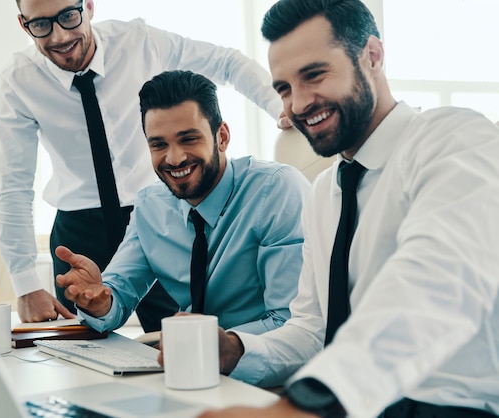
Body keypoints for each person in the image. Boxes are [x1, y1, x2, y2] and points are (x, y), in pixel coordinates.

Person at [195, 0, 499, 417]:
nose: (298, 104)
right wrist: (236, 349)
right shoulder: (323, 193)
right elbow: (313, 330)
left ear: (372, 56)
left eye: (314, 74)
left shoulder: (453, 139)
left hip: (446, 406)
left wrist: (312, 403)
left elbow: (437, 279)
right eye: (283, 88)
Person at [0, 0, 291, 328]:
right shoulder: (17, 81)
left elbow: (226, 62)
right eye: (41, 25)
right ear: (24, 25)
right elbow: (14, 186)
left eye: (68, 16)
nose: (60, 35)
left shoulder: (139, 42)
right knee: (85, 341)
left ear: (88, 6)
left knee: (180, 340)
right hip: (79, 228)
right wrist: (26, 284)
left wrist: (282, 108)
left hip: (154, 220)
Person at [54, 69, 310, 336]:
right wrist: (99, 302)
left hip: (266, 370)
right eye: (159, 145)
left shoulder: (276, 192)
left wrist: (202, 343)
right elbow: (116, 295)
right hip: (190, 363)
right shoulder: (150, 207)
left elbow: (291, 323)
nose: (174, 158)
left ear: (221, 137)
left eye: (188, 139)